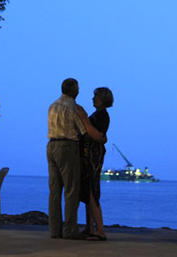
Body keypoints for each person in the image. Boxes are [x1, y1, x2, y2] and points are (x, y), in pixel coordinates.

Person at [47, 77, 105, 240]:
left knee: (54, 190)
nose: (79, 91)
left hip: (51, 145)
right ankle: (70, 229)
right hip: (67, 147)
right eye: (78, 88)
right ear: (73, 90)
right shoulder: (74, 108)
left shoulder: (52, 106)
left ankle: (54, 230)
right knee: (71, 189)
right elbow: (83, 131)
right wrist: (100, 138)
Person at [80, 87, 113, 241]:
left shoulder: (102, 115)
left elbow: (98, 135)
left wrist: (83, 119)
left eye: (96, 96)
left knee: (92, 191)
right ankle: (90, 227)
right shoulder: (100, 115)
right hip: (90, 155)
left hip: (93, 156)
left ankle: (99, 230)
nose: (93, 99)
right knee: (88, 191)